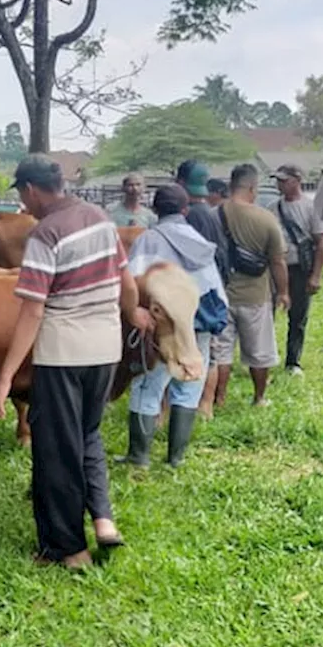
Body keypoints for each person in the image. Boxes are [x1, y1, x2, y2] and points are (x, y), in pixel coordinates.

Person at [0, 155, 153, 570]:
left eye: (22, 196)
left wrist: (5, 375)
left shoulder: (45, 234)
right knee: (88, 434)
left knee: (55, 451)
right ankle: (103, 520)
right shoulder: (100, 218)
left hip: (63, 353)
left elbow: (32, 310)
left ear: (29, 190)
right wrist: (131, 314)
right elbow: (126, 282)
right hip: (105, 350)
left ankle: (68, 550)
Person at [121, 185, 229, 468]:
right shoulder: (200, 242)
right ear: (185, 210)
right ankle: (176, 458)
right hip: (199, 325)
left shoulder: (149, 240)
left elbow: (132, 283)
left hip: (163, 329)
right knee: (189, 385)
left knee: (148, 385)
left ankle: (139, 456)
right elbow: (217, 292)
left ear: (155, 210)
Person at [217, 164, 289, 407]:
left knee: (221, 353)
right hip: (256, 296)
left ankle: (218, 399)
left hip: (221, 294)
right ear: (251, 187)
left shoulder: (214, 214)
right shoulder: (266, 219)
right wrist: (284, 292)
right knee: (259, 352)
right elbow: (278, 261)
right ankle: (259, 398)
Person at [176, 160, 229, 418]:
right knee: (208, 351)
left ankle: (198, 406)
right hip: (213, 291)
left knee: (196, 352)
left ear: (181, 183)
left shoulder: (190, 217)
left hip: (194, 294)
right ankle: (204, 407)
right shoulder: (210, 212)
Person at [272, 164, 323, 377]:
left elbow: (321, 243)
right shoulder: (273, 208)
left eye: (284, 180)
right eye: (278, 180)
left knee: (298, 317)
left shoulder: (311, 208)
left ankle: (293, 361)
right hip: (277, 267)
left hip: (300, 268)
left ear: (297, 180)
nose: (280, 184)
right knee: (267, 311)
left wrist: (316, 275)